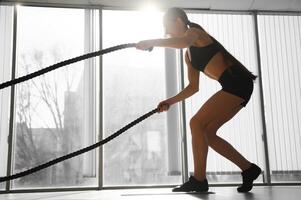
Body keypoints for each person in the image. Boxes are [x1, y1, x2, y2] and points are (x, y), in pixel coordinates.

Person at [135, 7, 262, 193]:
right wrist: (169, 101)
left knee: (196, 123)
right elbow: (193, 87)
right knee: (207, 133)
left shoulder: (194, 32)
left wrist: (151, 41)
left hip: (238, 83)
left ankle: (199, 180)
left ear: (178, 20)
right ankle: (249, 169)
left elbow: (181, 41)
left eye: (167, 26)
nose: (167, 32)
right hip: (233, 86)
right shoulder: (189, 56)